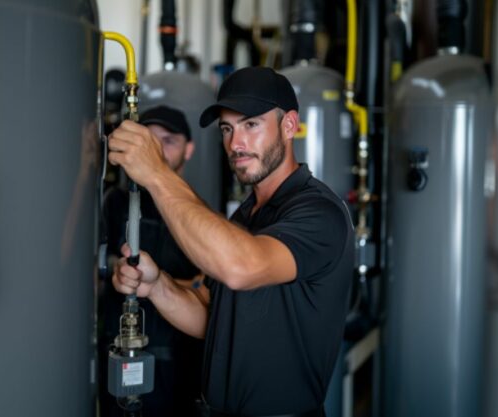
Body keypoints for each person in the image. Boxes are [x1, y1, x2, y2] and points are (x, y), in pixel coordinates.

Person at [107, 67, 354, 417]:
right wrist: (157, 285)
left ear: (288, 126)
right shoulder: (247, 216)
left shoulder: (319, 213)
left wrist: (157, 172)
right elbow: (212, 316)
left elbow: (241, 267)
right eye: (227, 129)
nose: (235, 144)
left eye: (251, 124)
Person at [100, 105, 203, 417]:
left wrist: (158, 283)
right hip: (116, 352)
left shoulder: (196, 213)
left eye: (168, 141)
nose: (155, 150)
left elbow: (207, 284)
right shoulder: (116, 202)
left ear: (189, 149)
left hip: (175, 362)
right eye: (149, 139)